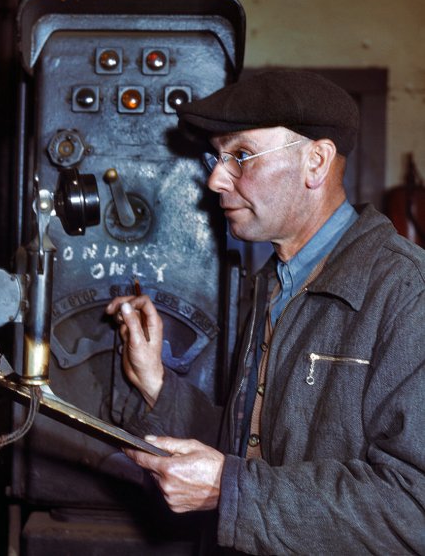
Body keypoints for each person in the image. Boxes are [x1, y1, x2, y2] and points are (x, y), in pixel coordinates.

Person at [106, 70, 425, 554]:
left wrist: (230, 491)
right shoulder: (273, 284)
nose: (215, 178)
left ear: (315, 162)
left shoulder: (406, 293)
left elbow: (412, 508)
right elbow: (252, 447)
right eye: (218, 157)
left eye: (241, 156)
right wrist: (156, 384)